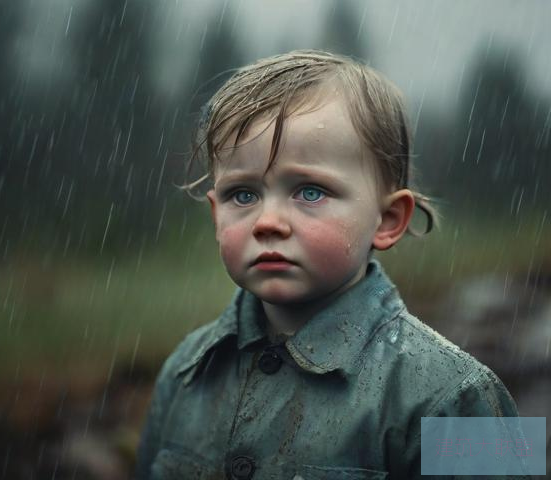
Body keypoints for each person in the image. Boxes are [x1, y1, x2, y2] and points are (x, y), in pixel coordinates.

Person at [135, 50, 520, 479]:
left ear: (388, 219)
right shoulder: (185, 371)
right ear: (215, 215)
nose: (267, 222)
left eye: (310, 192)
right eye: (242, 195)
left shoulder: (459, 396)